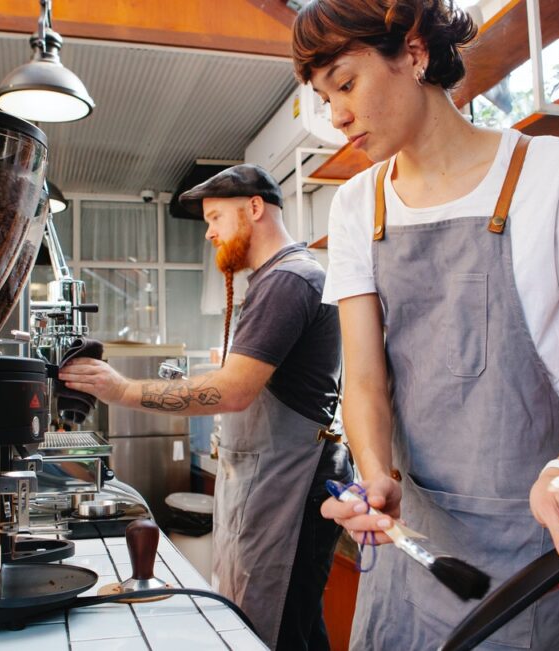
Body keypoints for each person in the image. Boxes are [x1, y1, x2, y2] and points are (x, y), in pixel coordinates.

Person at [291, 1, 559, 648]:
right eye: (322, 96)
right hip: (409, 548)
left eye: (345, 83)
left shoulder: (552, 174)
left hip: (526, 557)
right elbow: (364, 382)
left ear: (415, 51)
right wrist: (375, 476)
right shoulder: (355, 206)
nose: (335, 116)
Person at [58, 164, 353, 651]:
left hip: (292, 482)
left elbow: (233, 390)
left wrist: (121, 389)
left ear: (255, 208)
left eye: (216, 217)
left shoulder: (290, 281)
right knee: (289, 619)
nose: (211, 232)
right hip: (274, 478)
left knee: (281, 626)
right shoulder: (273, 280)